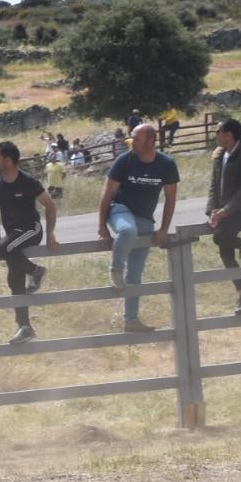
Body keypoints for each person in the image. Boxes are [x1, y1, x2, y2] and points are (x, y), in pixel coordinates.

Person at [97, 123, 178, 333]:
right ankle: (115, 270)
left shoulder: (166, 164)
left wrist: (163, 229)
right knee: (127, 231)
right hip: (119, 209)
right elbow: (107, 193)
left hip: (144, 219)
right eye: (131, 138)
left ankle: (130, 320)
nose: (131, 142)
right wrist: (102, 227)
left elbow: (170, 199)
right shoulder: (124, 160)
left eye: (137, 139)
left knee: (136, 275)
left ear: (151, 141)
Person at [0, 141, 57, 344]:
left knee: (2, 248)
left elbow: (50, 206)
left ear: (8, 160)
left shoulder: (28, 181)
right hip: (11, 236)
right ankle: (24, 327)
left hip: (30, 230)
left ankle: (36, 271)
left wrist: (50, 233)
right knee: (14, 280)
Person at [207, 116, 241, 317]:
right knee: (225, 254)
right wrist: (212, 210)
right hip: (223, 212)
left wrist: (226, 211)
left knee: (220, 238)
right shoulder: (219, 156)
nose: (215, 135)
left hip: (240, 211)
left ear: (228, 134)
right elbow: (214, 185)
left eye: (218, 131)